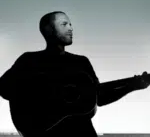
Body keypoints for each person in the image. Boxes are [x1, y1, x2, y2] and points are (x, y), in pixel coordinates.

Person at [0, 11, 149, 137]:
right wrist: (45, 94)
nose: (71, 28)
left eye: (71, 24)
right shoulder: (29, 60)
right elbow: (4, 88)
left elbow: (99, 97)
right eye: (64, 24)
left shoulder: (81, 62)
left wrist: (132, 86)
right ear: (48, 29)